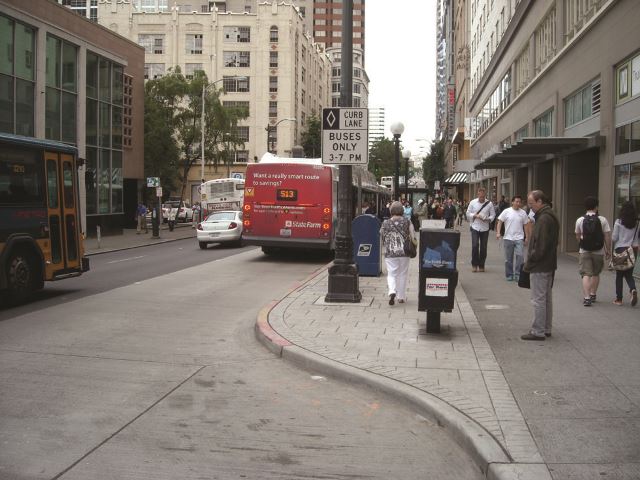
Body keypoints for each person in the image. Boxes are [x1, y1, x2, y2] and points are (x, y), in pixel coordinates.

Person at [521, 190, 560, 341]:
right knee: (546, 298)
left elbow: (540, 246)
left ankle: (538, 330)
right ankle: (546, 328)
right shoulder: (550, 215)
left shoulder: (544, 219)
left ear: (539, 202)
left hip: (540, 265)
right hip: (548, 263)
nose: (530, 207)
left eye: (531, 204)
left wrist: (530, 259)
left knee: (538, 299)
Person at [575, 196, 611, 306]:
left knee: (586, 274)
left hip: (584, 250)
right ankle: (593, 294)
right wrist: (608, 250)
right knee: (595, 273)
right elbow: (607, 236)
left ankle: (586, 298)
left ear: (585, 207)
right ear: (596, 206)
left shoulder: (580, 220)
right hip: (598, 251)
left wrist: (581, 244)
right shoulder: (602, 219)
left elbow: (577, 235)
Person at [380, 201, 416, 306]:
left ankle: (392, 291)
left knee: (392, 273)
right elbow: (413, 236)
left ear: (391, 210)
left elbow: (381, 234)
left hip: (390, 253)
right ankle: (401, 297)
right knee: (402, 274)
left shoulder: (385, 223)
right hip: (404, 252)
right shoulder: (407, 221)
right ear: (402, 210)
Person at [496, 195, 529, 281]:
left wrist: (527, 237)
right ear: (512, 202)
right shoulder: (506, 211)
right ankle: (509, 274)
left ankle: (518, 274)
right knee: (508, 258)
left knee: (520, 256)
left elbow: (526, 225)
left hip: (519, 238)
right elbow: (500, 222)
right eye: (516, 201)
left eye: (519, 202)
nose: (518, 203)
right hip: (508, 238)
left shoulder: (523, 213)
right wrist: (498, 232)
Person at [611, 201, 639, 306]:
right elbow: (637, 239)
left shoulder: (619, 221)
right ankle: (633, 289)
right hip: (632, 250)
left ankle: (619, 299)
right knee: (629, 274)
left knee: (619, 275)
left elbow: (614, 238)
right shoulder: (637, 223)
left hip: (620, 249)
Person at [466, 187, 495, 272]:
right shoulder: (473, 202)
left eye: (483, 196)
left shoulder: (489, 204)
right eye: (480, 196)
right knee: (475, 246)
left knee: (483, 247)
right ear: (478, 194)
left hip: (485, 228)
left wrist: (487, 219)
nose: (482, 198)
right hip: (475, 226)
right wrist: (475, 215)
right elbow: (468, 213)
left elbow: (493, 215)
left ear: (485, 195)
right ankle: (474, 264)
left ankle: (481, 265)